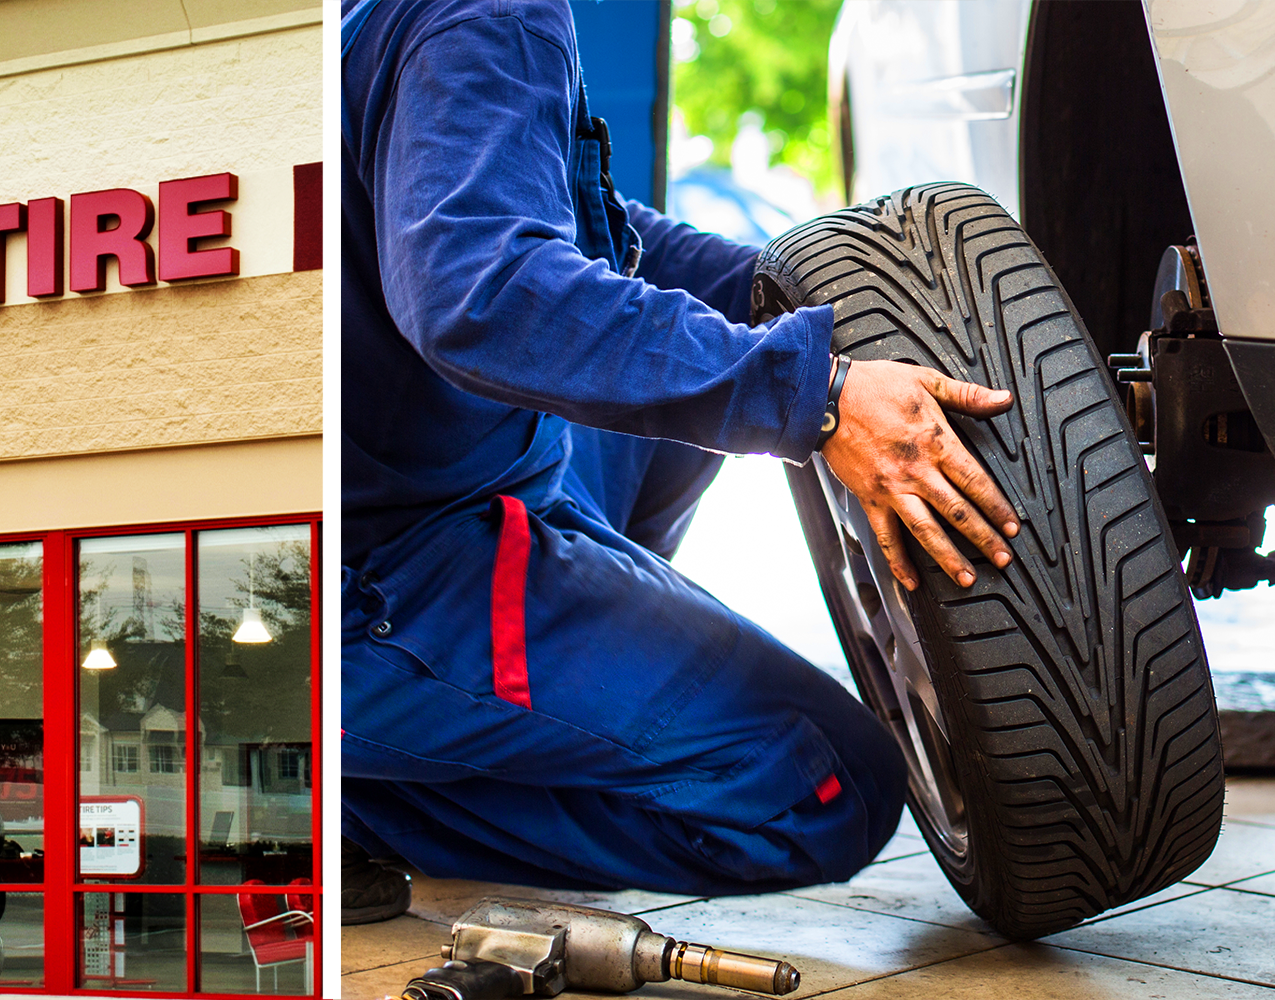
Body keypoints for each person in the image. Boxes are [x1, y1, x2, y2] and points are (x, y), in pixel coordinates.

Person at [339, 0, 1022, 924]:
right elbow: (483, 293)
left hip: (404, 492)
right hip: (379, 578)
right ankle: (317, 794)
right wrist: (812, 398)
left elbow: (584, 228)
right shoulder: (490, 13)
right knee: (826, 787)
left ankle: (558, 701)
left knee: (665, 398)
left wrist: (787, 293)